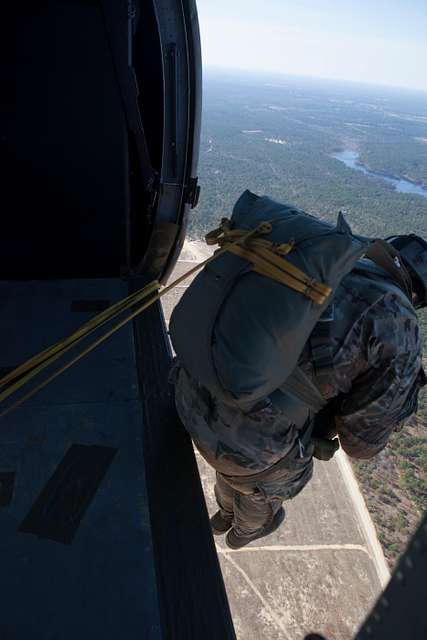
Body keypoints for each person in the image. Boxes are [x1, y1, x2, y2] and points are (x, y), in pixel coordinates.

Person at [171, 234, 427, 549]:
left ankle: (226, 510)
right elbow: (360, 445)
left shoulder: (320, 260)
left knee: (239, 460)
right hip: (242, 449)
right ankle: (244, 530)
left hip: (190, 389)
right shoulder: (400, 325)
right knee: (260, 481)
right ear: (417, 295)